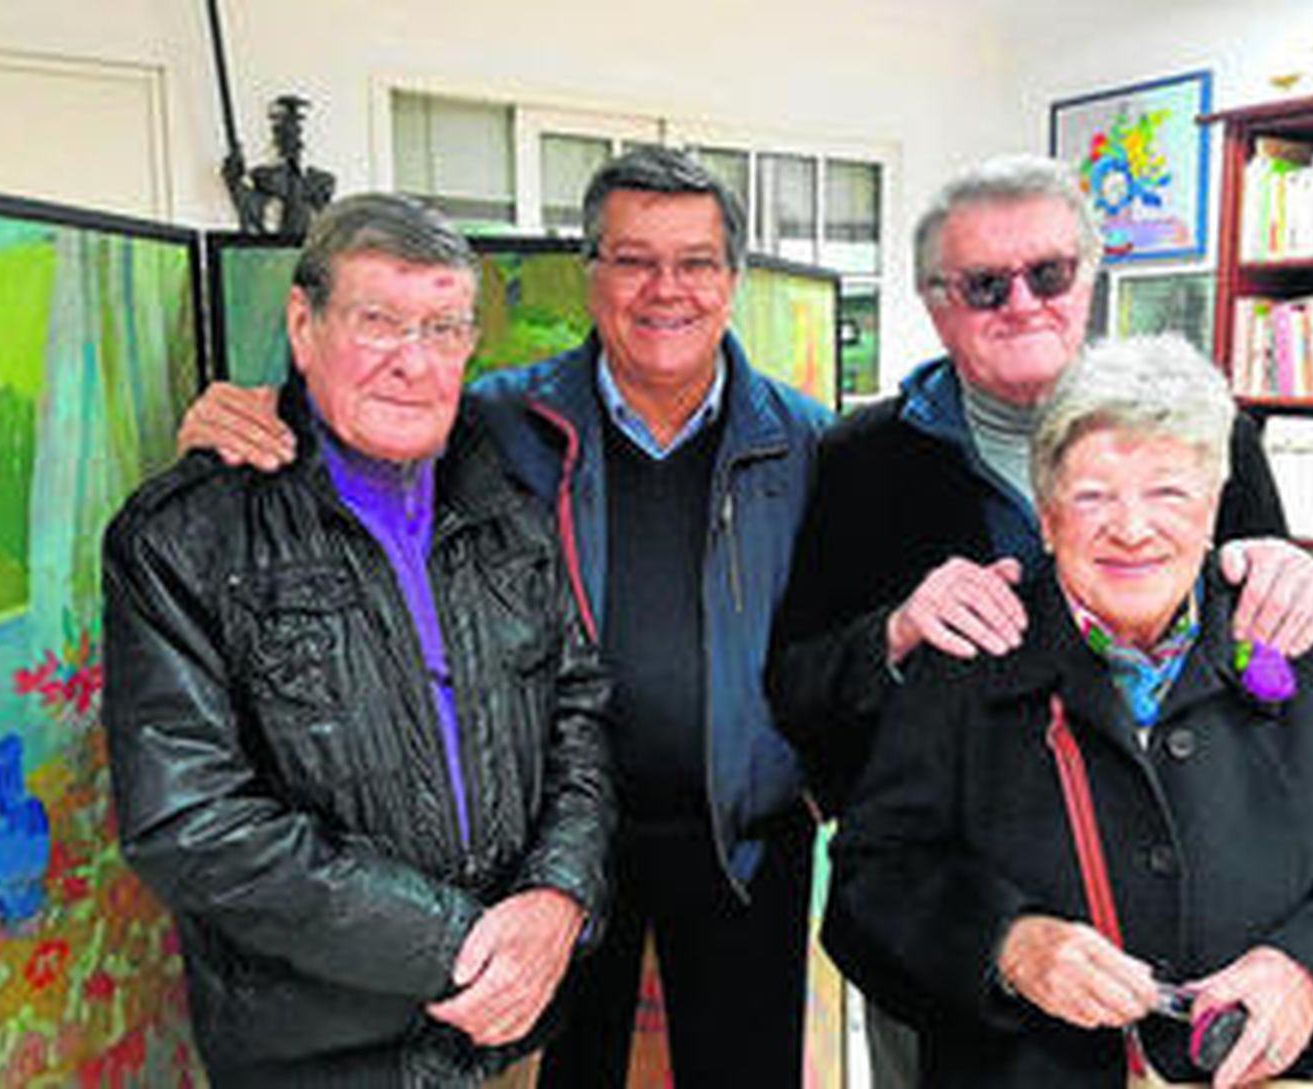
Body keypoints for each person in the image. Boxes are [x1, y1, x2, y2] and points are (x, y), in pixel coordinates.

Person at [174, 148, 830, 1088]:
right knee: (567, 1068)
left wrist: (818, 776)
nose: (665, 289)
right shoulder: (494, 419)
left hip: (745, 838)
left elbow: (846, 633)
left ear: (733, 279)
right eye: (634, 259)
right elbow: (359, 433)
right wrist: (249, 411)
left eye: (695, 261)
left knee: (747, 1070)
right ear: (590, 271)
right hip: (551, 840)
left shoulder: (804, 438)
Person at [767, 153, 1313, 1087]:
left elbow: (1272, 642)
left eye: (1051, 272)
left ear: (1093, 278)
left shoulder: (1210, 434)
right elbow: (797, 688)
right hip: (947, 927)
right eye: (986, 283)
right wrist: (896, 633)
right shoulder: (860, 459)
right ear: (936, 303)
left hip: (1200, 940)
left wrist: (1304, 581)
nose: (1023, 302)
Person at [823, 334, 1313, 1088]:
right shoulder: (972, 648)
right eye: (1092, 495)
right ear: (1046, 519)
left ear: (1215, 505)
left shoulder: (1307, 639)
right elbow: (872, 878)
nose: (1133, 527)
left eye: (1169, 492)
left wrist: (1308, 971)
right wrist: (1009, 943)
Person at [102, 193, 616, 1088]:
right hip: (317, 1058)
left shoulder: (508, 512)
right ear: (304, 325)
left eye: (444, 328)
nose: (413, 362)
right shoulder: (186, 537)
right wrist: (464, 944)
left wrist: (558, 898)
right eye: (378, 321)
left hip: (504, 1038)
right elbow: (190, 820)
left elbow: (579, 716)